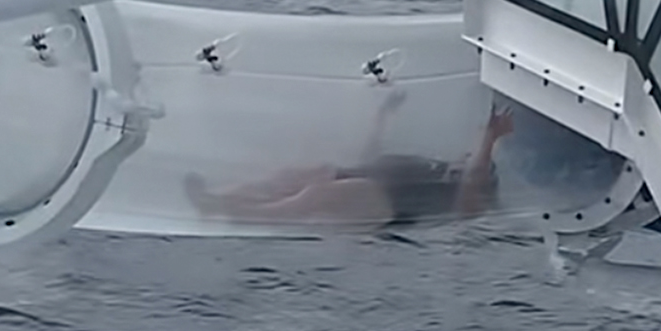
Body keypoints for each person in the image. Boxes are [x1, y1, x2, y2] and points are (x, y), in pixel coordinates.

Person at [184, 91, 515, 228]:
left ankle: (233, 211)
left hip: (387, 201)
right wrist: (381, 118)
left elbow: (473, 190)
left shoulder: (470, 187)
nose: (467, 154)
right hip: (365, 177)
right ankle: (218, 197)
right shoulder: (436, 165)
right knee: (294, 176)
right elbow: (369, 158)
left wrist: (491, 138)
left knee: (315, 196)